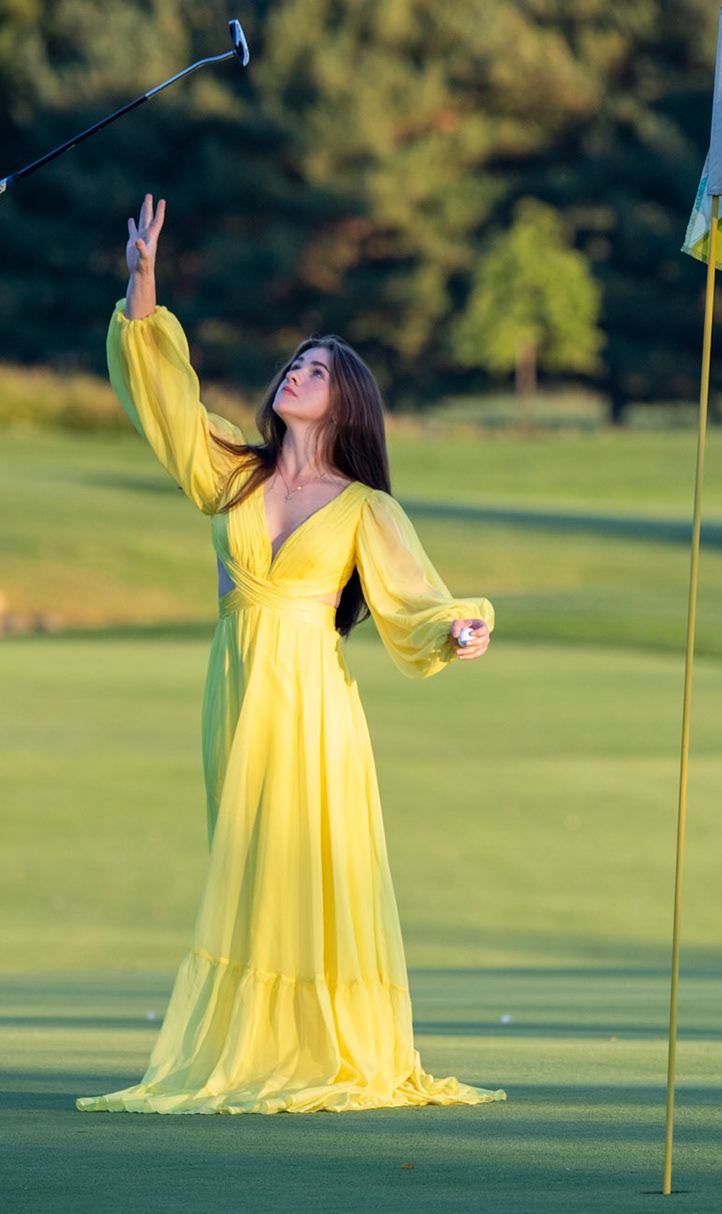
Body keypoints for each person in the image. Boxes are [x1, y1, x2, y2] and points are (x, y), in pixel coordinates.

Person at [76, 195, 505, 1115]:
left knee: (310, 866)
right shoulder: (235, 471)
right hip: (236, 688)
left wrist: (459, 627)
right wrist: (143, 280)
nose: (295, 374)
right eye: (294, 364)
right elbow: (166, 404)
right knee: (247, 865)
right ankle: (251, 1047)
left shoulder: (366, 507)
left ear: (343, 401)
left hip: (315, 703)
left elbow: (417, 601)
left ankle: (324, 1049)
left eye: (316, 370)